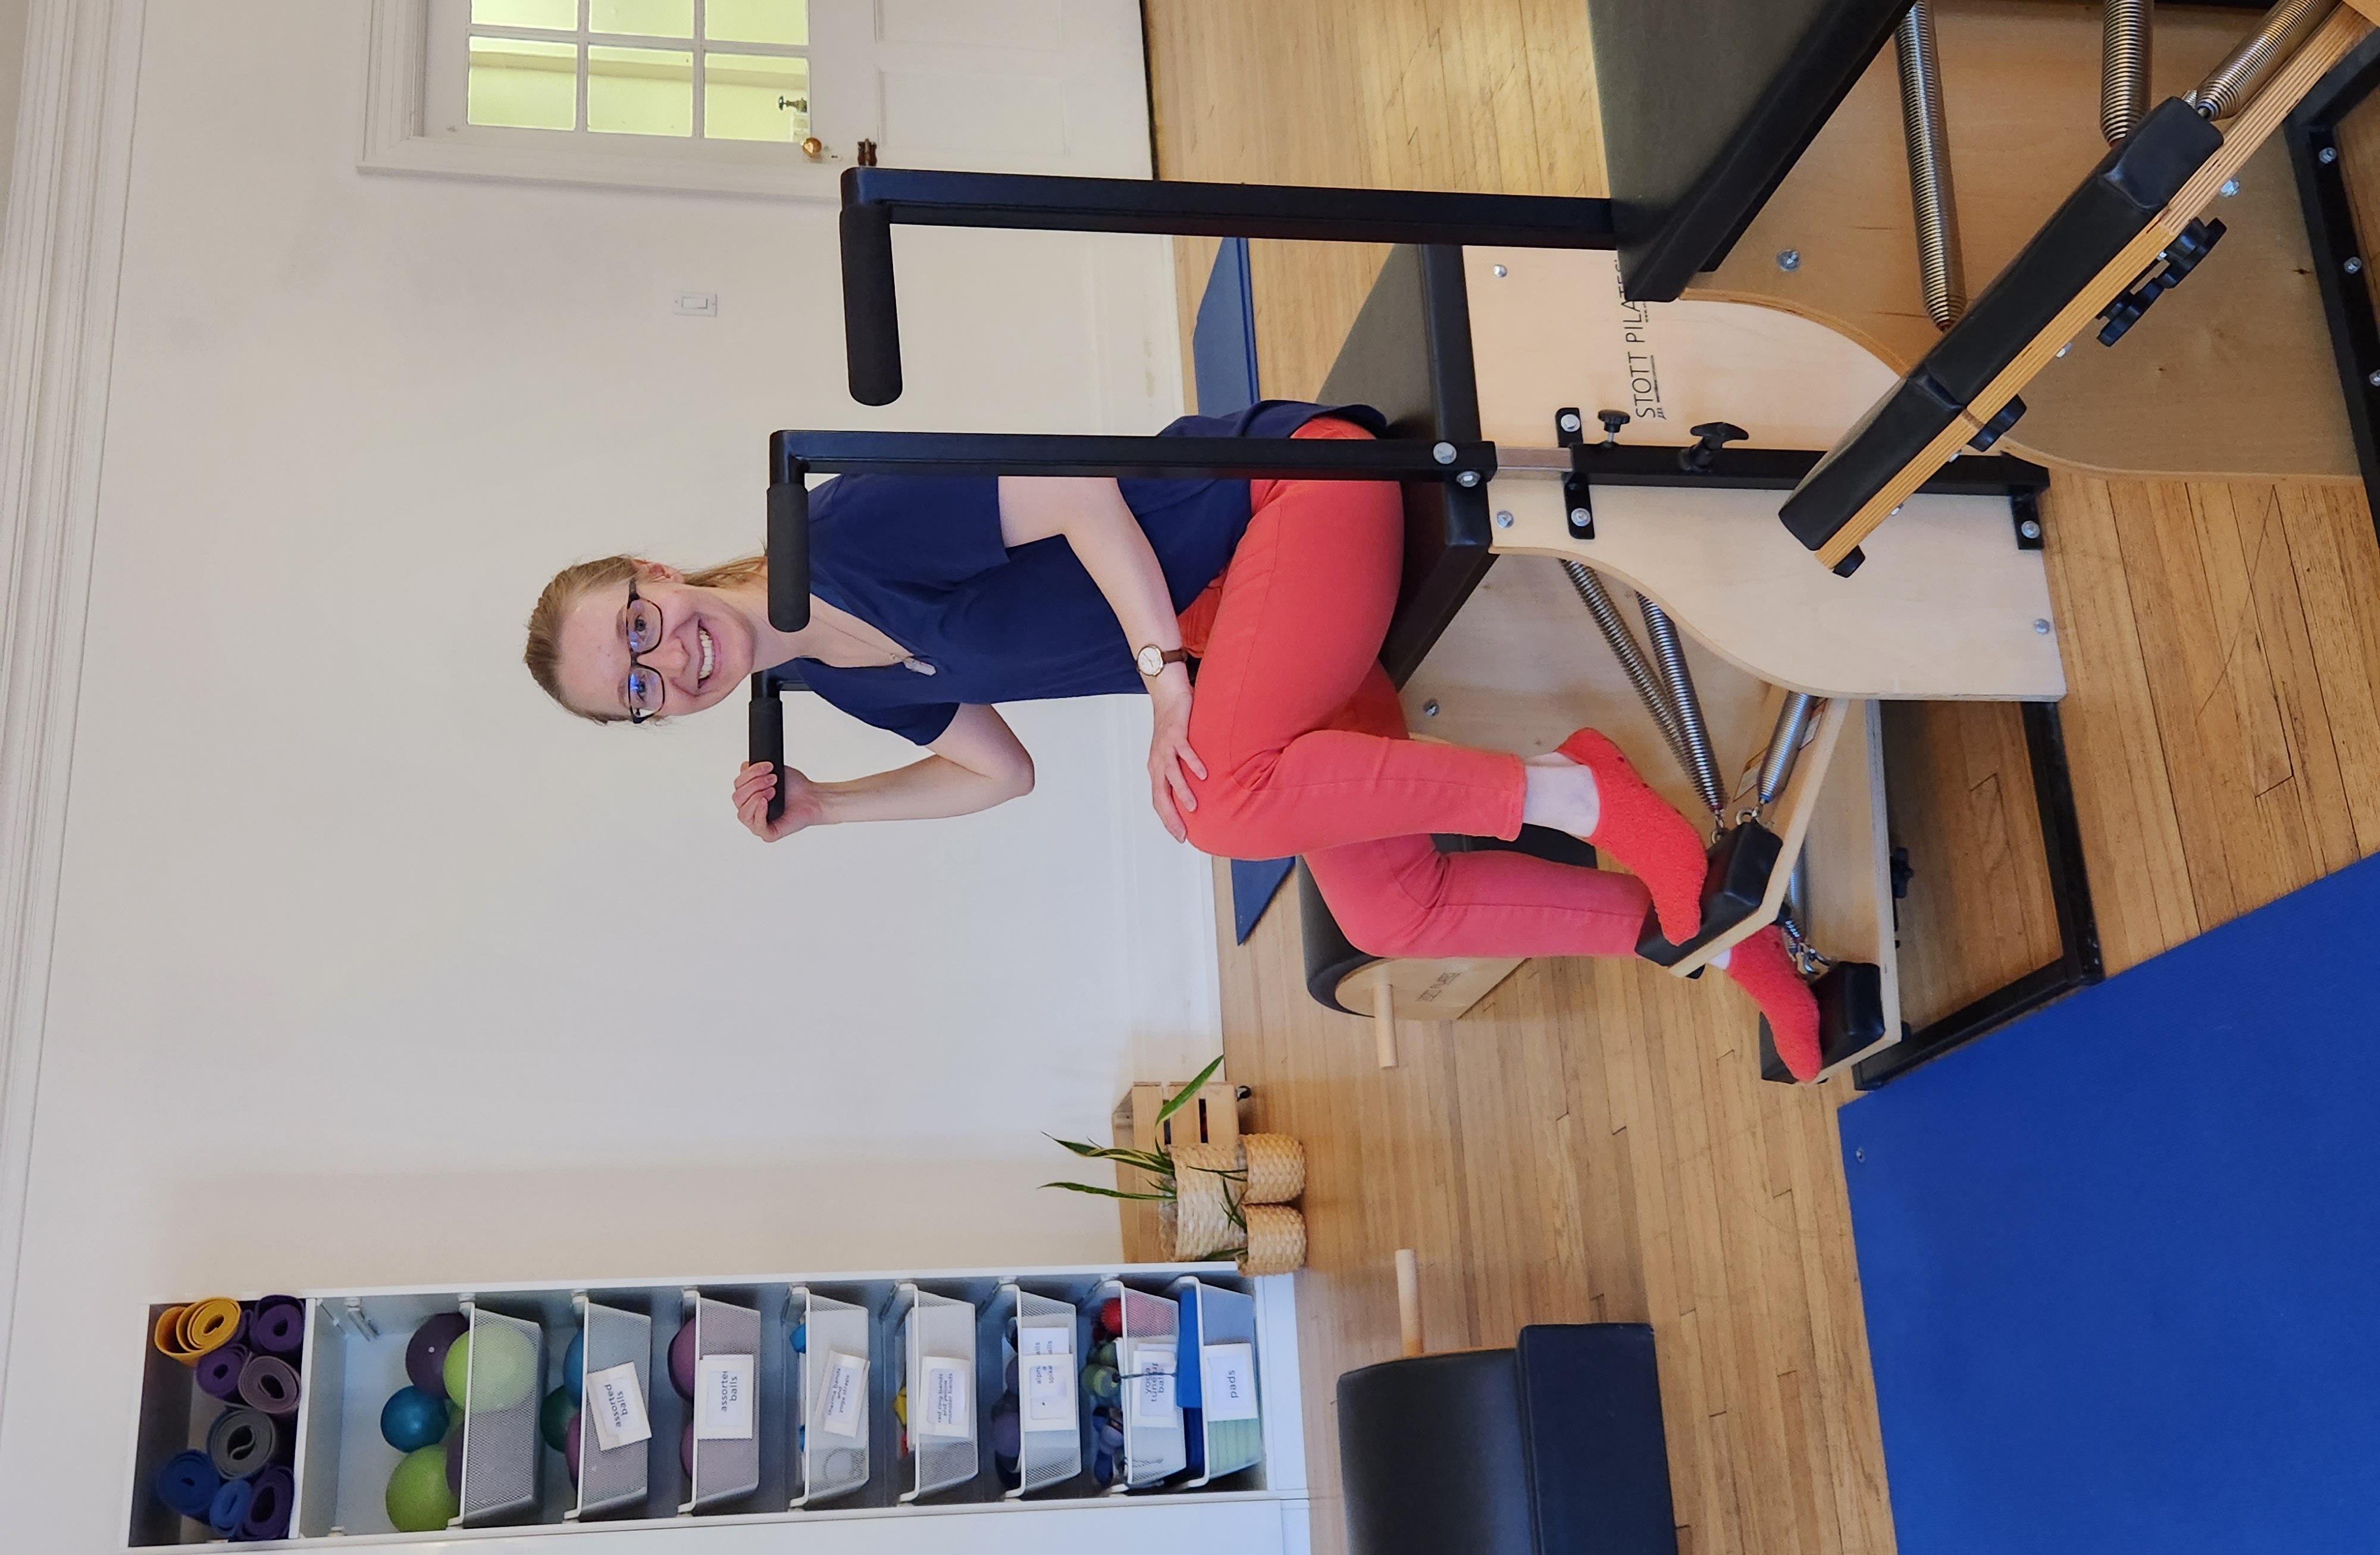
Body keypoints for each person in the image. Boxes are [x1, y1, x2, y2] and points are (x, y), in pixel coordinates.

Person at [522, 401, 1825, 1078]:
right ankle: (1698, 933)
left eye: (638, 625)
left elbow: (1076, 491)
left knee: (1211, 803)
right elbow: (997, 771)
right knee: (1390, 908)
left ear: (655, 571)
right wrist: (827, 810)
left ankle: (1586, 798)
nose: (668, 663)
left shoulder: (843, 535)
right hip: (1248, 640)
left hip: (1288, 501)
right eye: (637, 691)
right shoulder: (833, 681)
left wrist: (1161, 684)